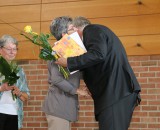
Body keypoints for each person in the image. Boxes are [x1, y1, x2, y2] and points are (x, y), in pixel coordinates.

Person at [51, 16, 141, 130]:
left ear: (75, 29)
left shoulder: (91, 30)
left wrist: (68, 62)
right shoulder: (96, 35)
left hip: (115, 93)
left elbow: (98, 55)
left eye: (68, 34)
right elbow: (98, 61)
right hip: (115, 93)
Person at [42, 16, 89, 130]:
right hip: (58, 106)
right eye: (72, 28)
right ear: (64, 34)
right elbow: (56, 79)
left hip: (64, 106)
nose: (76, 31)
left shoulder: (70, 51)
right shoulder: (57, 51)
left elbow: (74, 73)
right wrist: (77, 91)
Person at [0, 35, 30, 130]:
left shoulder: (19, 70)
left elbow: (26, 96)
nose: (12, 52)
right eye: (9, 49)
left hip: (14, 113)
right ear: (1, 50)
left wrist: (19, 92)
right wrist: (2, 88)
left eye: (15, 49)